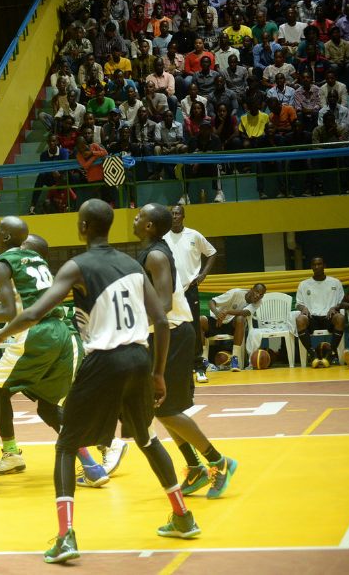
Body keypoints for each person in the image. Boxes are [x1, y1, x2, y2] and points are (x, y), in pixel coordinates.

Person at [0, 201, 201, 563]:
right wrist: (159, 373)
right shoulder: (133, 264)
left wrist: (0, 334)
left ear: (82, 227)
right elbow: (162, 322)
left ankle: (66, 537)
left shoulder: (77, 266)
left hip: (103, 359)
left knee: (66, 446)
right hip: (139, 359)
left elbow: (36, 311)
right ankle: (182, 517)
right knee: (148, 439)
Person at [0, 217, 98, 487]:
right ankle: (91, 464)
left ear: (8, 239)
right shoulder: (37, 263)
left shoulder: (4, 262)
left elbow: (11, 311)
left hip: (38, 333)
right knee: (48, 408)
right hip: (62, 336)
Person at [136, 204, 237, 497]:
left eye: (140, 215)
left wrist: (128, 323)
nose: (135, 217)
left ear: (150, 225)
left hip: (173, 333)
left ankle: (219, 462)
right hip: (164, 332)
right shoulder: (153, 251)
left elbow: (164, 304)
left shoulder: (156, 254)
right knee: (162, 408)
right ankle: (195, 468)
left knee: (166, 407)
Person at [166, 206, 218, 383]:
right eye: (172, 214)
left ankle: (199, 367)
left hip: (190, 289)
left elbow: (212, 253)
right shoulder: (163, 237)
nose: (174, 216)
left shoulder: (194, 235)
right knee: (172, 327)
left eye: (177, 213)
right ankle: (178, 367)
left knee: (194, 328)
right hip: (171, 290)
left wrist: (203, 274)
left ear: (183, 216)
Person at [293, 257, 349, 369]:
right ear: (311, 267)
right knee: (299, 319)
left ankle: (331, 354)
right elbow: (298, 304)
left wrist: (335, 307)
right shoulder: (304, 284)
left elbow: (342, 303)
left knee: (340, 318)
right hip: (312, 316)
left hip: (329, 316)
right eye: (314, 264)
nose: (317, 267)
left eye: (319, 264)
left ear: (325, 265)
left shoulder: (335, 282)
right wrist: (303, 308)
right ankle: (312, 354)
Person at [202, 284, 266, 371]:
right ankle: (204, 360)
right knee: (200, 320)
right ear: (251, 290)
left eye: (261, 294)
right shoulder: (235, 293)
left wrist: (227, 311)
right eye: (257, 292)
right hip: (217, 321)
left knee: (240, 319)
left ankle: (234, 359)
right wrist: (217, 313)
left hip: (231, 326)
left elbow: (245, 313)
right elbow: (211, 302)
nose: (258, 296)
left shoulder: (258, 302)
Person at [30, 133, 71, 214]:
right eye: (50, 141)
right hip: (51, 178)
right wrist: (53, 170)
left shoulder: (64, 152)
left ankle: (68, 205)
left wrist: (54, 169)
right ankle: (32, 206)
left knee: (68, 176)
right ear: (47, 142)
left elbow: (63, 167)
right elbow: (43, 168)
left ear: (57, 142)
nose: (51, 143)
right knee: (41, 175)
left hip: (62, 178)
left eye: (54, 141)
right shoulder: (44, 155)